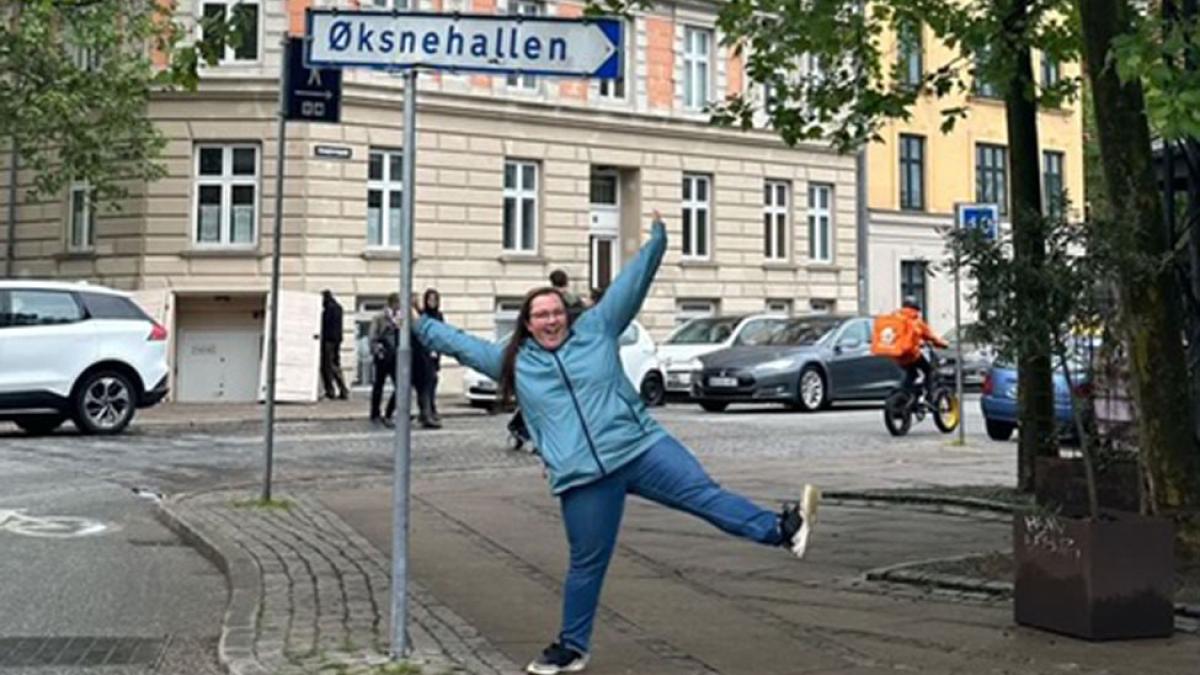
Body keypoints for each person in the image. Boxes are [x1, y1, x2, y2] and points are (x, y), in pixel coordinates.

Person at [414, 213, 819, 675]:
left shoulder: (597, 329)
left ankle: (783, 531)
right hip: (584, 477)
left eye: (556, 312)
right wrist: (418, 324)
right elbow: (460, 343)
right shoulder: (513, 362)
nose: (550, 320)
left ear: (567, 315)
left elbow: (631, 285)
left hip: (640, 448)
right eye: (540, 315)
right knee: (587, 564)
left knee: (704, 494)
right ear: (526, 324)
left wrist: (657, 242)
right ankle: (571, 647)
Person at [896, 297, 949, 401]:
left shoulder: (896, 318)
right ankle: (929, 395)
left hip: (898, 355)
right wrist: (944, 344)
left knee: (912, 373)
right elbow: (931, 337)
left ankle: (907, 393)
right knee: (929, 370)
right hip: (911, 354)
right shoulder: (916, 320)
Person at [369, 293, 401, 427]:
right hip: (383, 356)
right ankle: (375, 414)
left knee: (400, 387)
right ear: (391, 303)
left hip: (396, 357)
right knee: (378, 386)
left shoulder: (401, 318)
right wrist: (377, 351)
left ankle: (389, 413)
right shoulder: (380, 317)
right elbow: (372, 337)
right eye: (397, 303)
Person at [320, 290, 350, 400]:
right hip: (337, 340)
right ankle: (343, 390)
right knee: (335, 364)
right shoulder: (338, 308)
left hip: (328, 340)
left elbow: (324, 324)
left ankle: (331, 391)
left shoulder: (329, 309)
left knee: (327, 366)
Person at [420, 288, 444, 424]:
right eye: (430, 300)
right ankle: (427, 412)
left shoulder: (439, 316)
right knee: (427, 383)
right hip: (423, 355)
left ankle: (430, 410)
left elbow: (442, 333)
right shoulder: (423, 315)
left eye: (435, 300)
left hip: (435, 354)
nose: (432, 302)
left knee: (432, 382)